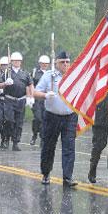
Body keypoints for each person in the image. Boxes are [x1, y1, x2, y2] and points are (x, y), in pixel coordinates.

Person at [34, 51, 78, 187]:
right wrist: (46, 95)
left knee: (69, 147)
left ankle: (67, 177)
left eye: (67, 62)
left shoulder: (74, 76)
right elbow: (35, 92)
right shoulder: (49, 76)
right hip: (52, 116)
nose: (65, 64)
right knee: (48, 146)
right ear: (56, 63)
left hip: (70, 116)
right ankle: (46, 174)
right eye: (62, 62)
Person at [0, 52, 34, 151]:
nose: (17, 62)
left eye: (18, 61)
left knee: (19, 123)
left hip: (21, 100)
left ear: (21, 62)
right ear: (12, 62)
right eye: (15, 61)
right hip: (9, 99)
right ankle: (5, 140)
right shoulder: (6, 73)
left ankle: (15, 142)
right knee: (9, 121)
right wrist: (5, 83)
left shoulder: (25, 73)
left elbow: (30, 84)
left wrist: (31, 96)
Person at [30, 55, 50, 146]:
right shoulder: (34, 73)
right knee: (38, 118)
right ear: (40, 63)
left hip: (46, 99)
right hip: (37, 99)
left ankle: (43, 138)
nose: (44, 65)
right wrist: (30, 97)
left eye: (46, 64)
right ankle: (34, 135)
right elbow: (30, 85)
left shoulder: (51, 73)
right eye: (43, 63)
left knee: (44, 119)